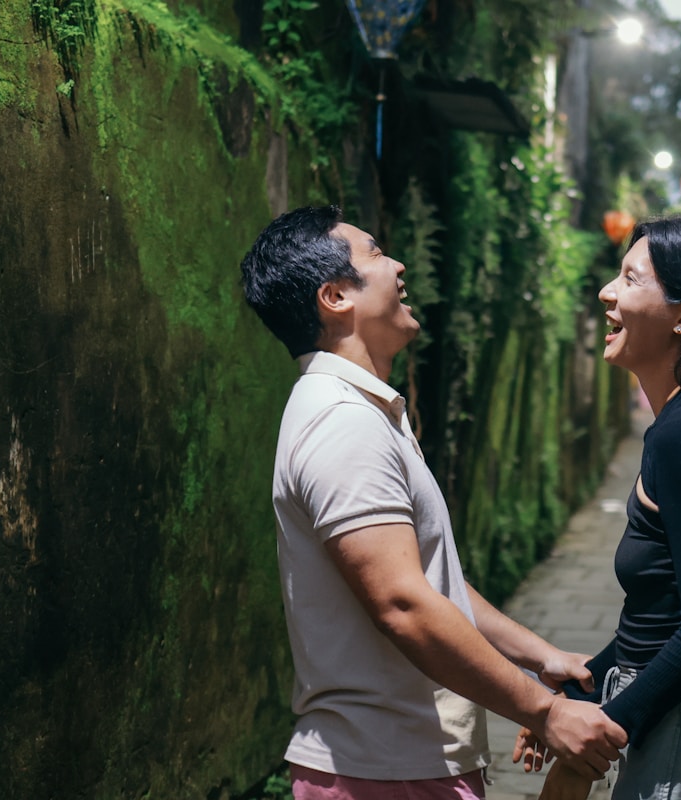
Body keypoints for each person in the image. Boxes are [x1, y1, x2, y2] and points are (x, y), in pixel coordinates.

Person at [239, 205, 627, 800]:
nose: (397, 264)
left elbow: (425, 579)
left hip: (401, 765)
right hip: (383, 770)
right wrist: (545, 711)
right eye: (374, 252)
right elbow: (403, 602)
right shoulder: (343, 422)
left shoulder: (366, 411)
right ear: (335, 295)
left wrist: (537, 656)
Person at [518, 216, 681, 800]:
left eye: (630, 279)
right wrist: (572, 701)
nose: (607, 291)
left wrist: (603, 730)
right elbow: (654, 617)